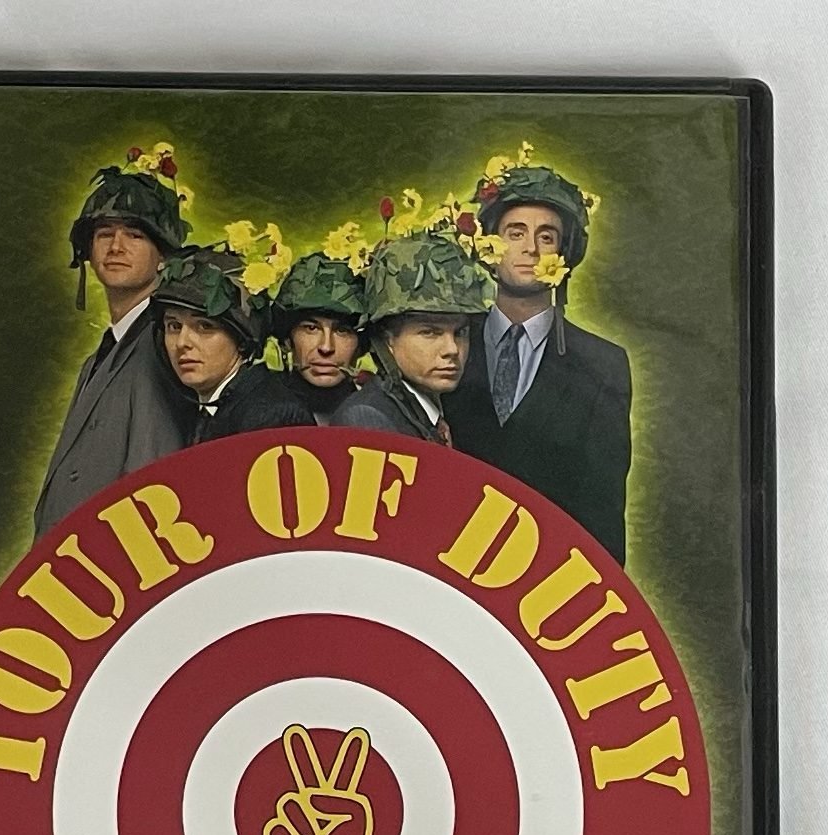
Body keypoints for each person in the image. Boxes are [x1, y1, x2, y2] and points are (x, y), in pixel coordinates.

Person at [445, 162, 633, 564]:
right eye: (515, 233)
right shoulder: (446, 344)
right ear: (487, 245)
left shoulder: (603, 365)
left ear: (563, 254)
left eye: (546, 236)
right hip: (444, 566)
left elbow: (603, 512)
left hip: (548, 575)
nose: (530, 248)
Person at [32, 155, 194, 539]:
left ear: (163, 257)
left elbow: (152, 480)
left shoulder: (164, 343)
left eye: (135, 235)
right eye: (104, 234)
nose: (116, 247)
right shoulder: (100, 356)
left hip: (120, 553)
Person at [332, 232, 491, 444]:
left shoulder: (437, 413)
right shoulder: (367, 420)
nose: (452, 349)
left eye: (460, 332)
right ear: (387, 340)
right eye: (430, 332)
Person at [152, 247, 314, 444]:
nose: (182, 343)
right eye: (174, 326)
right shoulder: (205, 407)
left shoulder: (271, 416)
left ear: (242, 340)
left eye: (205, 326)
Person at [271, 253, 366, 424]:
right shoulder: (258, 411)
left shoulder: (380, 416)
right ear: (287, 340)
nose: (326, 347)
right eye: (311, 328)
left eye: (342, 331)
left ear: (360, 346)